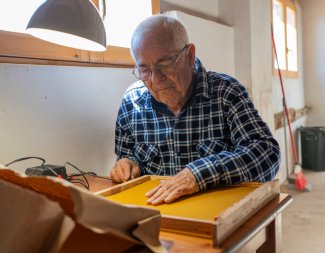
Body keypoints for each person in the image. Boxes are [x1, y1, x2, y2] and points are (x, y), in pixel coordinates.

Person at [110, 14, 280, 206]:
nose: (155, 79)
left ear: (190, 56)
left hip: (215, 214)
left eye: (165, 65)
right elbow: (126, 154)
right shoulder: (132, 101)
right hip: (156, 213)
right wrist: (126, 164)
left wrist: (199, 174)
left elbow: (266, 153)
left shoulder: (226, 92)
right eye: (144, 70)